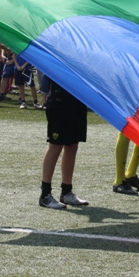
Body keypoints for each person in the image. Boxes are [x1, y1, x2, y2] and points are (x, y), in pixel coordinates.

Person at [38, 79, 90, 209]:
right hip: (59, 99)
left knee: (72, 145)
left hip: (77, 98)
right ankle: (45, 194)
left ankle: (66, 191)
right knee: (55, 146)